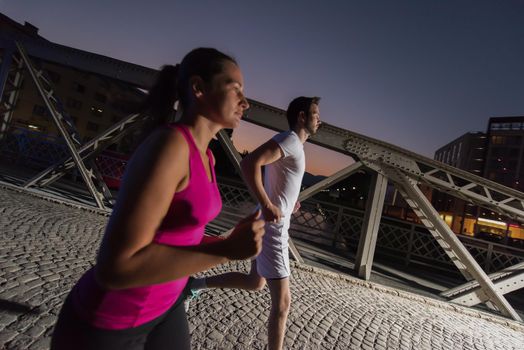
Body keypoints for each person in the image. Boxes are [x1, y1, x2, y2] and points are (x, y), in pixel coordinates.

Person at [51, 48, 265, 350]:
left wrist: (226, 241)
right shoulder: (172, 146)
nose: (246, 101)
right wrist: (228, 251)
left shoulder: (206, 157)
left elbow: (177, 237)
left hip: (167, 305)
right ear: (198, 88)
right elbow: (116, 268)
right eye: (236, 89)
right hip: (113, 321)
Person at [187, 96, 321, 350]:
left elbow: (277, 180)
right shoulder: (290, 139)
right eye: (315, 114)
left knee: (254, 282)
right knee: (282, 305)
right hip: (273, 229)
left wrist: (287, 203)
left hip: (269, 222)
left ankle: (194, 285)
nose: (320, 119)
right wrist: (269, 205)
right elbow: (250, 163)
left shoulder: (295, 146)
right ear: (302, 117)